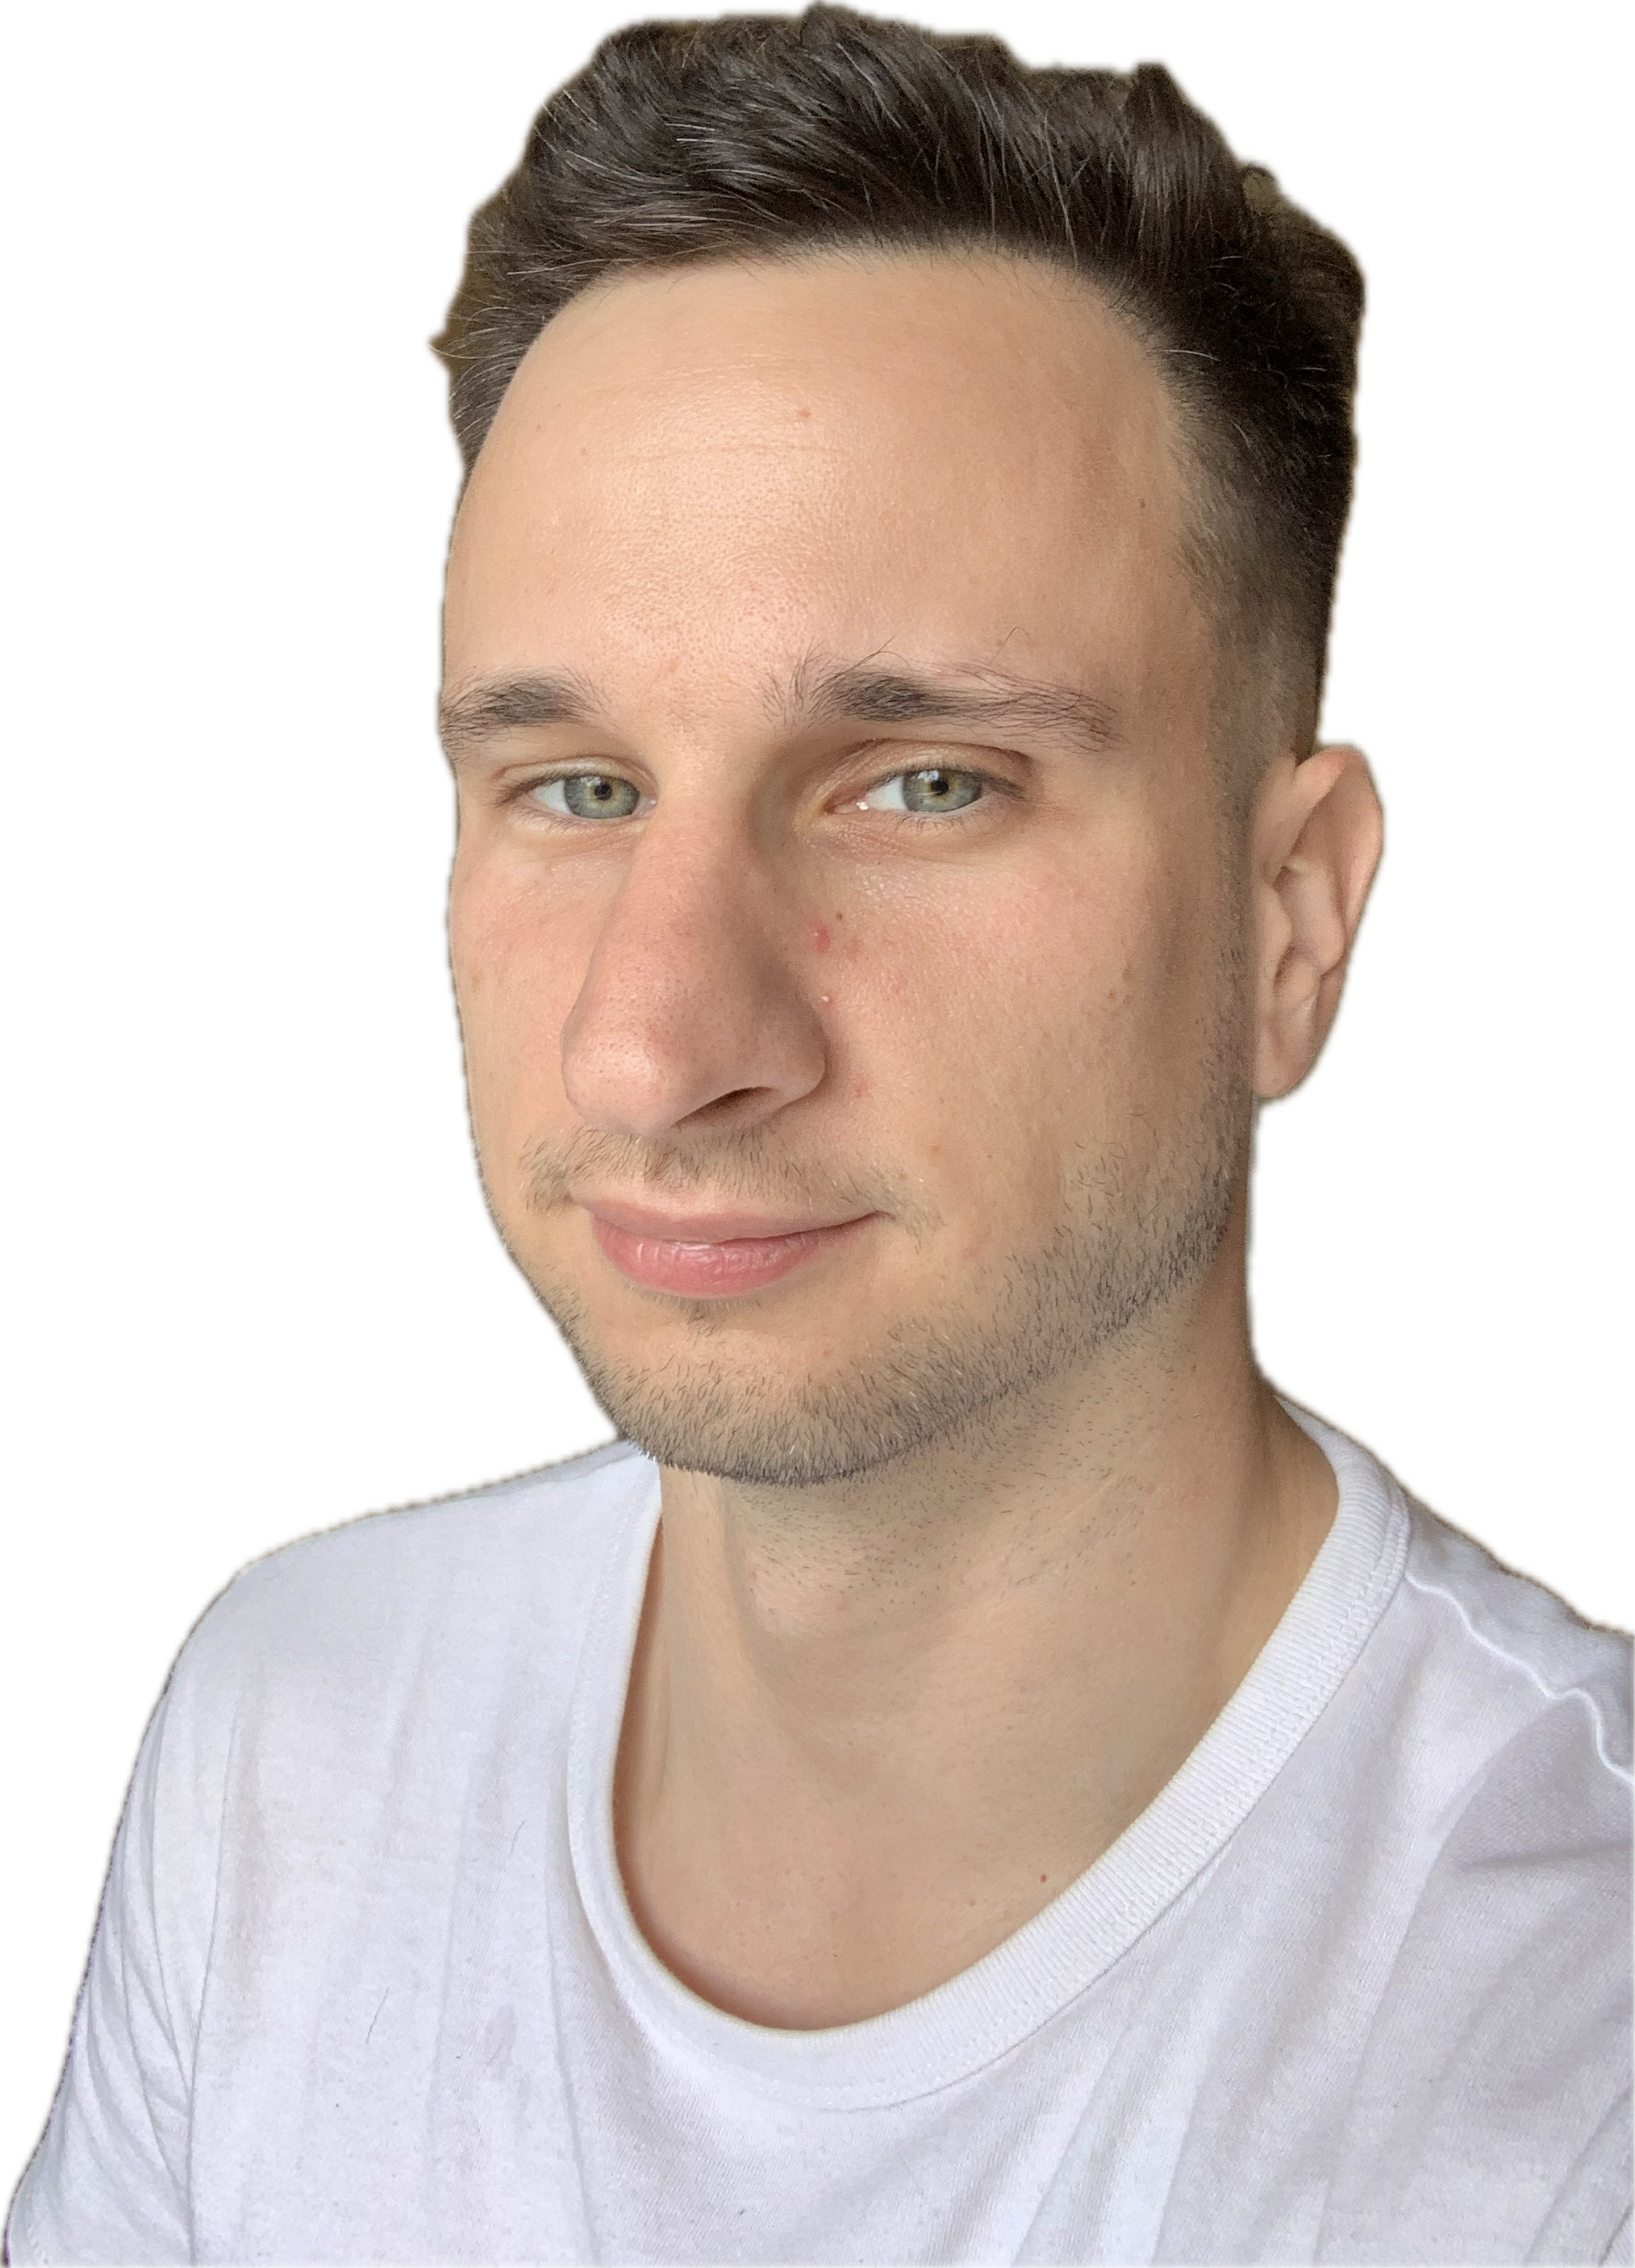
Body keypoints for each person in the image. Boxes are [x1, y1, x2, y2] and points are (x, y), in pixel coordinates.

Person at [10, 6, 1632, 2263]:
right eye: (575, 789)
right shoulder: (299, 1727)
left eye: (921, 786)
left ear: (1292, 922)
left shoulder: (1573, 2060)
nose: (655, 1052)